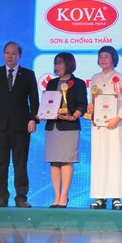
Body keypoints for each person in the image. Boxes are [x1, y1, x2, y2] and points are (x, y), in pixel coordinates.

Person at [0, 41, 39, 208]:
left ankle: (21, 197)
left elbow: (34, 99)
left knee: (20, 163)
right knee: (0, 163)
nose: (10, 56)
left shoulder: (28, 74)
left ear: (19, 55)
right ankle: (2, 196)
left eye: (13, 53)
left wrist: (33, 119)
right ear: (3, 54)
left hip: (21, 126)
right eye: (7, 52)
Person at [89, 46, 122, 210]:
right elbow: (92, 101)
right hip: (99, 126)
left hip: (116, 125)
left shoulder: (120, 78)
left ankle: (116, 197)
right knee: (99, 159)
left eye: (106, 56)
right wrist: (91, 112)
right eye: (101, 56)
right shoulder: (94, 78)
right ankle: (100, 196)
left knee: (115, 158)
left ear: (114, 58)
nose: (103, 59)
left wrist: (117, 118)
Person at [42, 52, 87, 208]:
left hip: (69, 127)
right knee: (54, 161)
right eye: (56, 63)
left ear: (69, 64)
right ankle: (56, 197)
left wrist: (73, 117)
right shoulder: (51, 83)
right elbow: (47, 103)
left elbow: (82, 105)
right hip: (52, 126)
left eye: (60, 63)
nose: (57, 66)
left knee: (66, 160)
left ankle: (64, 196)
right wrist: (43, 113)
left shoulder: (78, 83)